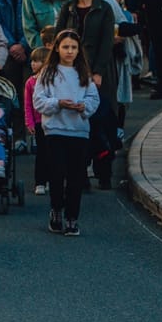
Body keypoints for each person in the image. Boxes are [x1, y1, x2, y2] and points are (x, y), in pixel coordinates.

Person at [33, 29, 100, 236]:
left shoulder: (83, 74)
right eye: (65, 47)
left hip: (78, 131)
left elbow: (93, 98)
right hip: (55, 129)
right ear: (57, 49)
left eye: (73, 47)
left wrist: (83, 106)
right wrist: (58, 103)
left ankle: (73, 216)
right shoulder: (48, 73)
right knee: (57, 173)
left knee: (75, 177)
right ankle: (56, 210)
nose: (69, 51)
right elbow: (39, 100)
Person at [55, 0, 117, 189]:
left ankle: (104, 171)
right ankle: (79, 173)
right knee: (78, 123)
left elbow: (107, 42)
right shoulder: (68, 8)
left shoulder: (104, 8)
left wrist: (98, 72)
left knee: (100, 122)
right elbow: (58, 38)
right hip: (71, 71)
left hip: (98, 71)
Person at [24, 46, 51, 193]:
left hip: (52, 122)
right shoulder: (30, 82)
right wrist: (29, 122)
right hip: (38, 122)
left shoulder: (53, 80)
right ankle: (40, 182)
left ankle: (50, 179)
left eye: (37, 61)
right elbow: (27, 104)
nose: (33, 64)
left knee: (52, 153)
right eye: (32, 61)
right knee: (41, 153)